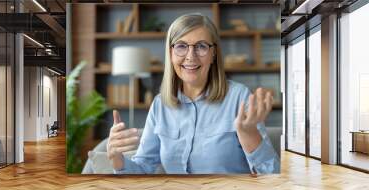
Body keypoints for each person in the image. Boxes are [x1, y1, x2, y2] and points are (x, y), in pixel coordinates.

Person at [106, 13, 280, 174]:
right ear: (171, 53)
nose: (191, 56)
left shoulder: (239, 97)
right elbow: (143, 170)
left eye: (201, 46)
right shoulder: (160, 105)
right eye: (181, 46)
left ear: (213, 54)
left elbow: (272, 176)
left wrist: (250, 136)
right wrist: (117, 159)